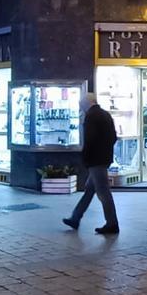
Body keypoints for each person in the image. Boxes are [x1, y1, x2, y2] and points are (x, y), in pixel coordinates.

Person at [63, 93, 119, 234]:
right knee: (89, 190)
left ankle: (112, 223)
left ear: (87, 103)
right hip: (104, 159)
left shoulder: (91, 116)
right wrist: (106, 151)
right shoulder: (105, 114)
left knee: (103, 191)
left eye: (81, 104)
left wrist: (86, 157)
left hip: (96, 160)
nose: (80, 106)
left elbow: (90, 140)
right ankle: (75, 218)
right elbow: (113, 137)